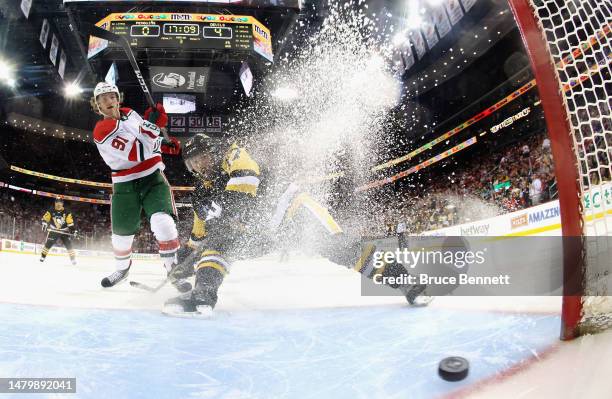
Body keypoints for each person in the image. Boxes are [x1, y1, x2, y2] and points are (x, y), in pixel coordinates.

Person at [163, 134, 431, 316]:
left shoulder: (233, 154)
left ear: (213, 152)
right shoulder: (202, 193)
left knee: (341, 249)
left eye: (203, 158)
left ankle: (406, 281)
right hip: (262, 234)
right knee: (217, 247)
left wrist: (220, 210)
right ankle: (203, 297)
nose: (200, 165)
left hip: (293, 213)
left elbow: (247, 184)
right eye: (194, 163)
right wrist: (184, 263)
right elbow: (198, 238)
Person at [90, 82, 186, 290]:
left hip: (152, 176)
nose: (108, 101)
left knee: (164, 223)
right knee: (121, 235)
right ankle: (122, 269)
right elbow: (137, 151)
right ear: (96, 106)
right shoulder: (102, 130)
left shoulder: (130, 113)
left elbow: (146, 137)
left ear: (118, 99)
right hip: (125, 183)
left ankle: (173, 269)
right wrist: (153, 124)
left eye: (111, 96)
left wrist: (163, 143)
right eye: (102, 99)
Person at [40, 198, 77, 265]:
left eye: (60, 202)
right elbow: (45, 218)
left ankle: (73, 259)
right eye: (57, 202)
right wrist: (44, 224)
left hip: (64, 231)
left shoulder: (67, 212)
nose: (58, 204)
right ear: (55, 203)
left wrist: (73, 230)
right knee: (48, 244)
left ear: (62, 204)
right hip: (54, 230)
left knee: (69, 245)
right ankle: (42, 257)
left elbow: (70, 223)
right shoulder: (51, 210)